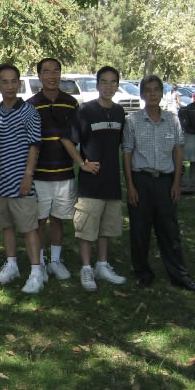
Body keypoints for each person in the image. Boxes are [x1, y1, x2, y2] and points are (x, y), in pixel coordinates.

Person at [123, 74, 195, 291]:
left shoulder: (172, 120)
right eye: (147, 90)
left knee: (169, 231)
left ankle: (179, 276)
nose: (152, 94)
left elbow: (178, 151)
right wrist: (130, 186)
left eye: (156, 89)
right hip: (141, 181)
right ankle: (143, 273)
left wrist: (176, 183)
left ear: (161, 92)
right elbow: (127, 154)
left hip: (165, 182)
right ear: (142, 94)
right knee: (139, 230)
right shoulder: (132, 121)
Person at [63, 66, 126, 292]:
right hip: (91, 184)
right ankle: (86, 268)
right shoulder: (85, 111)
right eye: (104, 82)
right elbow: (67, 140)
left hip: (112, 182)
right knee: (86, 228)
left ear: (117, 85)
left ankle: (102, 265)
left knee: (106, 228)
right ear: (98, 84)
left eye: (113, 82)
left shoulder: (119, 112)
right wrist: (82, 164)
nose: (108, 86)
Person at [0, 64, 45, 294]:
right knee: (6, 226)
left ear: (19, 83)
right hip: (0, 182)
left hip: (22, 181)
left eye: (14, 81)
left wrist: (27, 175)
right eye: (5, 82)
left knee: (29, 228)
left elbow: (34, 145)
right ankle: (12, 265)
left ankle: (36, 272)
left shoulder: (30, 111)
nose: (10, 86)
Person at [27, 58, 78, 281]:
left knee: (58, 219)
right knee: (39, 221)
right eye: (46, 72)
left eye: (55, 71)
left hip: (64, 173)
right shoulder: (30, 104)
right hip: (38, 175)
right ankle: (39, 262)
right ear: (39, 76)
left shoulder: (71, 103)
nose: (51, 76)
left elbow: (75, 137)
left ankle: (56, 261)